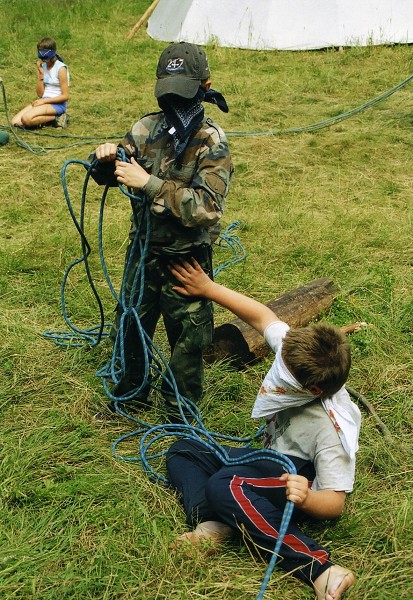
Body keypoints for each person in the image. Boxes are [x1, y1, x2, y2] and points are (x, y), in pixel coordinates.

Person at [166, 259, 361, 600]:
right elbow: (261, 316)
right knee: (185, 449)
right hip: (266, 459)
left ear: (313, 390)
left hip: (293, 476)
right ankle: (221, 520)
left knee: (227, 484)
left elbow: (335, 503)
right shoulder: (294, 350)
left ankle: (321, 569)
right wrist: (207, 288)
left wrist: (308, 496)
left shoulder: (331, 427)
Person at [89, 42, 233, 422]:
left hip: (187, 260)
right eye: (168, 90)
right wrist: (103, 160)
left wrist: (149, 183)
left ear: (205, 84)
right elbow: (114, 168)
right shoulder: (145, 127)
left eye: (182, 90)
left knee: (189, 336)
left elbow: (208, 208)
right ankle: (131, 394)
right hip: (144, 252)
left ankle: (178, 410)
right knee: (131, 322)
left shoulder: (210, 141)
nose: (174, 100)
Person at [11, 37, 69, 129]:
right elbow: (40, 94)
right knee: (15, 122)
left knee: (26, 119)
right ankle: (49, 119)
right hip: (44, 100)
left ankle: (57, 117)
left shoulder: (61, 68)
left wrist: (44, 101)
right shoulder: (43, 67)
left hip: (57, 104)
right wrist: (41, 74)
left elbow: (65, 96)